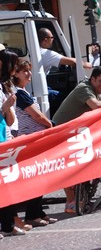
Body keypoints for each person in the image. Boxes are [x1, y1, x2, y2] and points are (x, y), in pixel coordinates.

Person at [53, 66, 101, 213]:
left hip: (76, 132)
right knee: (68, 167)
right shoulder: (84, 87)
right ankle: (70, 202)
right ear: (92, 79)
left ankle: (82, 194)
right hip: (61, 130)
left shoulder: (100, 90)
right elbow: (96, 105)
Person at [12, 60, 57, 227]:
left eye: (29, 71)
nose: (29, 74)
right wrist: (50, 125)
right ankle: (32, 214)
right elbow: (37, 115)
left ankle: (38, 212)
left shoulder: (23, 91)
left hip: (35, 138)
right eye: (25, 71)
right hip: (30, 140)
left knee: (40, 176)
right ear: (16, 73)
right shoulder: (20, 94)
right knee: (36, 177)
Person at [0, 50, 25, 237]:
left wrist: (7, 109)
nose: (15, 69)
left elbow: (9, 120)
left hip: (4, 138)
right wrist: (4, 107)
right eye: (13, 64)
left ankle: (8, 224)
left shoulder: (4, 87)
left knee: (6, 184)